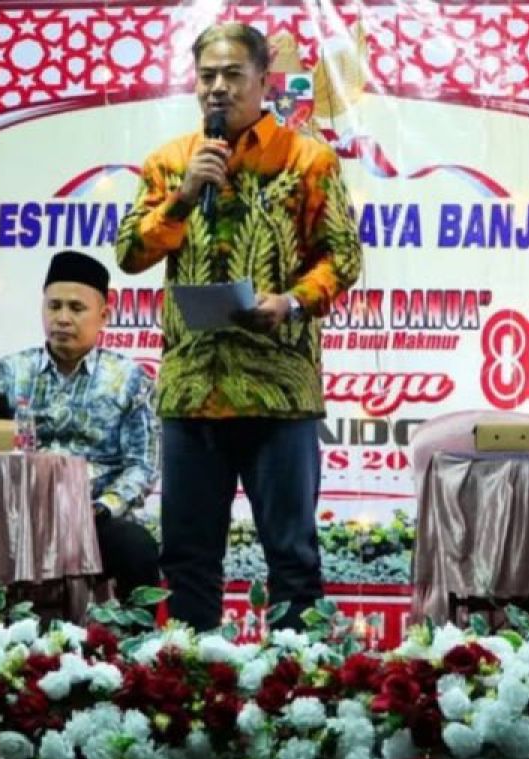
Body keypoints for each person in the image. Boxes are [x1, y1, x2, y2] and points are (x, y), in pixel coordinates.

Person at [116, 22, 363, 631]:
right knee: (188, 557)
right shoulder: (170, 162)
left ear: (263, 80)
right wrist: (182, 197)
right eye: (207, 76)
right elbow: (129, 254)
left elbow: (343, 257)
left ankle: (295, 674)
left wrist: (293, 303)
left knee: (292, 556)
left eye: (232, 74)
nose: (218, 88)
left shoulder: (307, 158)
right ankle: (196, 673)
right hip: (192, 390)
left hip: (278, 389)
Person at [0, 250, 160, 601]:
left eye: (76, 308)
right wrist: (11, 439)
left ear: (103, 316)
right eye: (54, 306)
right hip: (17, 515)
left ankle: (129, 636)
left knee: (136, 548)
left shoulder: (129, 380)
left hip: (94, 518)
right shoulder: (10, 373)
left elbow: (143, 465)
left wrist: (101, 507)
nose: (62, 318)